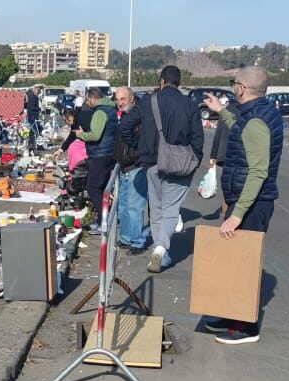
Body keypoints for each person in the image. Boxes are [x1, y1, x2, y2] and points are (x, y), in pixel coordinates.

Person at [202, 66, 283, 344]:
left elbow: (258, 172)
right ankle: (231, 314)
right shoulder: (257, 114)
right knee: (236, 262)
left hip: (253, 204)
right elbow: (241, 131)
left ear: (241, 88)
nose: (233, 87)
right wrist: (220, 111)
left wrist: (236, 215)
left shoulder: (257, 121)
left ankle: (246, 327)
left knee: (245, 265)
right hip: (248, 201)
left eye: (234, 83)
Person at [121, 65, 203, 272]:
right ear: (179, 82)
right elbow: (197, 137)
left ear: (161, 81)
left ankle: (161, 254)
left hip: (152, 161)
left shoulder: (148, 101)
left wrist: (140, 146)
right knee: (171, 209)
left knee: (156, 209)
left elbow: (125, 126)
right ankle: (161, 249)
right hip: (180, 163)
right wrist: (195, 158)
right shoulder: (189, 104)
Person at [75, 86, 118, 234]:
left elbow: (95, 135)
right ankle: (102, 219)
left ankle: (104, 221)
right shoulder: (111, 109)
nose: (87, 102)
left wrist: (81, 134)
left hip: (100, 155)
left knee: (93, 188)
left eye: (88, 99)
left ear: (93, 98)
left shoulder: (100, 111)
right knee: (101, 189)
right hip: (108, 154)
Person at [114, 86, 148, 254]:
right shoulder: (124, 115)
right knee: (124, 206)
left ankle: (137, 241)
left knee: (135, 206)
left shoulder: (139, 116)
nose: (120, 103)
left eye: (123, 99)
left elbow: (141, 141)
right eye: (117, 99)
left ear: (132, 99)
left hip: (136, 165)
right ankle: (126, 238)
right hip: (124, 165)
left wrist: (135, 154)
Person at [25, 84, 42, 152]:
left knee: (33, 132)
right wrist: (38, 109)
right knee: (35, 132)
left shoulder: (34, 96)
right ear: (35, 89)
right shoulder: (32, 97)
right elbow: (31, 108)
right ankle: (33, 146)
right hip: (33, 117)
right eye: (38, 89)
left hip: (33, 116)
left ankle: (32, 146)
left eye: (39, 89)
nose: (39, 91)